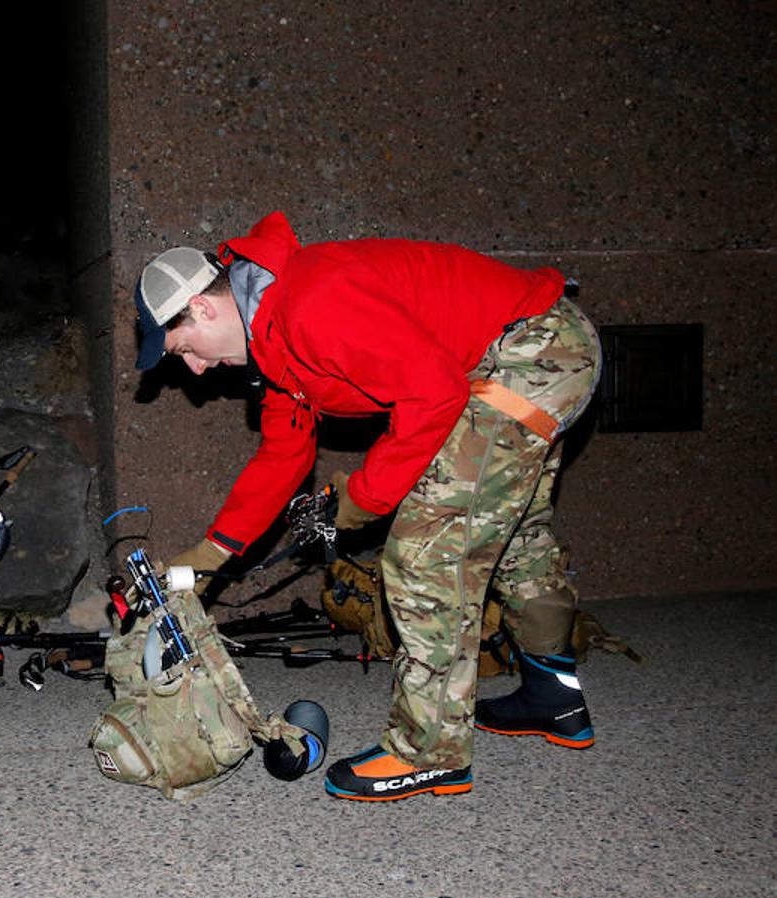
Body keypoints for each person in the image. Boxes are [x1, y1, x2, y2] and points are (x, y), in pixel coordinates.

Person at [135, 211, 601, 801]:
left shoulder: (310, 302)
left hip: (531, 353)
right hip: (538, 351)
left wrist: (364, 498)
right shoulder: (276, 345)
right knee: (512, 536)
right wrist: (209, 556)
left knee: (428, 553)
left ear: (202, 309)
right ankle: (553, 697)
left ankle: (428, 751)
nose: (196, 369)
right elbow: (282, 457)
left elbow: (433, 392)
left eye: (184, 350)